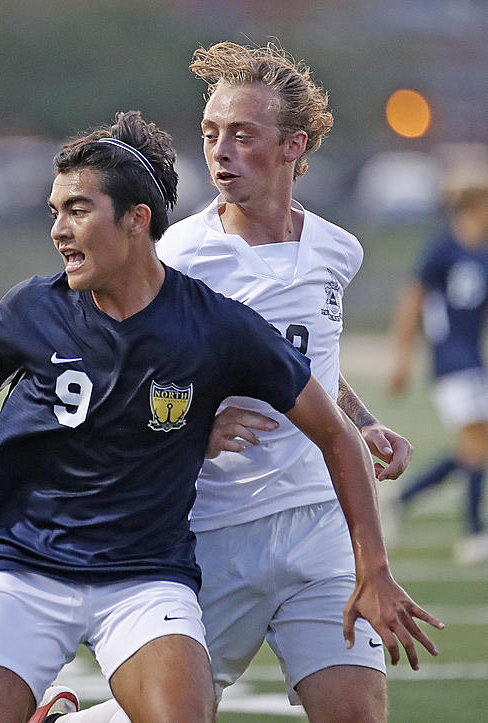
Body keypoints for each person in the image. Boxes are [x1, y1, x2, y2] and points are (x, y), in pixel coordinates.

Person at [0, 109, 433, 723]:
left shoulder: (215, 323)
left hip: (145, 577)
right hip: (27, 568)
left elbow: (328, 418)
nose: (59, 231)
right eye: (54, 212)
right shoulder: (34, 310)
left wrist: (373, 558)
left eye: (77, 211)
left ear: (135, 220)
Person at [41, 42, 442, 723]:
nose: (220, 151)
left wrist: (362, 419)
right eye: (210, 134)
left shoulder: (336, 250)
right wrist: (193, 424)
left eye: (242, 135)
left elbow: (311, 359)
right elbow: (104, 382)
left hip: (320, 526)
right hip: (210, 530)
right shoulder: (174, 258)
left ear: (295, 145)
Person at [387, 166, 488, 565]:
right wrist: (401, 358)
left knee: (474, 446)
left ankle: (402, 498)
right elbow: (412, 302)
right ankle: (474, 532)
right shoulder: (442, 250)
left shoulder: (483, 253)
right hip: (449, 358)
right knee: (478, 442)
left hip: (473, 358)